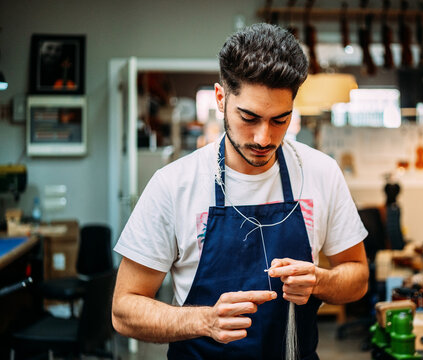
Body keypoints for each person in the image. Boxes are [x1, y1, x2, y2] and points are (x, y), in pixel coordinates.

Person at [112, 23, 369, 360]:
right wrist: (203, 321)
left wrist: (319, 282)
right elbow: (124, 310)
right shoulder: (174, 184)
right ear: (221, 98)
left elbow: (358, 276)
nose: (264, 138)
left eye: (280, 120)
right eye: (249, 117)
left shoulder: (321, 173)